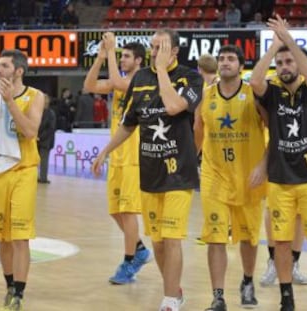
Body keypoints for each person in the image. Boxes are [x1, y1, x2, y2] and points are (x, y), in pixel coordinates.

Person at [92, 29, 203, 311]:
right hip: (150, 172)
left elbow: (174, 106)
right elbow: (130, 122)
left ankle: (169, 300)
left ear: (174, 51)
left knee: (172, 238)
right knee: (159, 242)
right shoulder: (140, 79)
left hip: (179, 172)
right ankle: (173, 288)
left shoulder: (191, 78)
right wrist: (107, 150)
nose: (154, 53)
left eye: (161, 47)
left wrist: (163, 72)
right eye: (153, 47)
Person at [250, 15, 307, 311]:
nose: (284, 67)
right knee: (281, 243)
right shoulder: (271, 93)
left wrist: (290, 41)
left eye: (289, 62)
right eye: (280, 64)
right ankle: (286, 295)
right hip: (280, 179)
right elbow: (255, 81)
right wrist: (273, 48)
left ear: (298, 63)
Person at [0, 49, 45, 310]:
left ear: (19, 71)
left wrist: (10, 101)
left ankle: (19, 293)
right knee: (4, 238)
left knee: (21, 236)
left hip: (23, 170)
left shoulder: (36, 96)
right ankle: (10, 285)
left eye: (4, 66)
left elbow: (30, 131)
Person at [194, 45, 267, 311]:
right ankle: (218, 296)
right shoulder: (206, 96)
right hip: (214, 176)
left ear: (241, 66)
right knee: (215, 237)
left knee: (248, 238)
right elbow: (197, 129)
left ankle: (247, 281)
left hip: (249, 177)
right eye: (222, 58)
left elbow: (275, 129)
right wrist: (191, 160)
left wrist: (264, 164)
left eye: (231, 59)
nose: (225, 62)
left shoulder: (254, 95)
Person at [84, 32, 152, 285]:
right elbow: (90, 86)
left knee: (128, 210)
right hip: (117, 153)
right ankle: (140, 250)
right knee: (115, 211)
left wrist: (111, 50)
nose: (122, 60)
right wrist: (101, 57)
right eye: (120, 56)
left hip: (135, 152)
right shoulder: (119, 80)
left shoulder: (142, 79)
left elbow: (117, 82)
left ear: (138, 60)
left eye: (126, 57)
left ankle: (129, 260)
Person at [37, 94, 56, 183]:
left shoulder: (50, 114)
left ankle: (43, 178)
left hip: (46, 141)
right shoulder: (37, 112)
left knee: (44, 160)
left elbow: (50, 128)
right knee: (35, 160)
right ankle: (37, 176)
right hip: (36, 140)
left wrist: (40, 137)